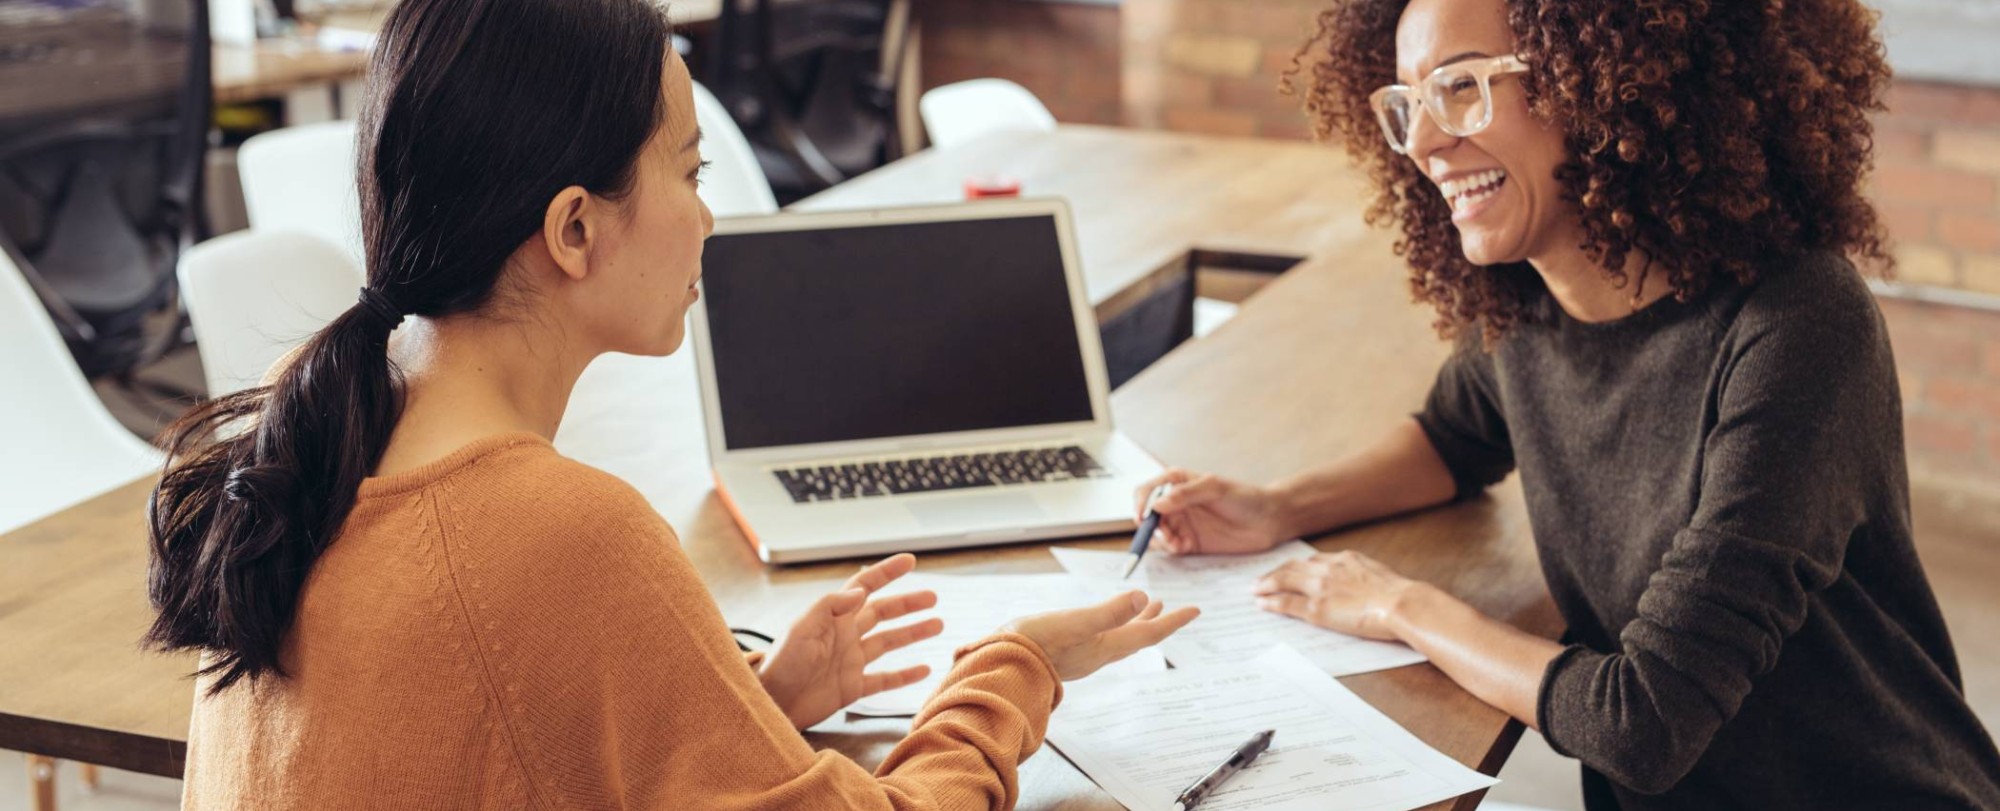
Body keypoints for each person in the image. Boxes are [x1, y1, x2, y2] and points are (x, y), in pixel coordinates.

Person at [142, 0, 1196, 807]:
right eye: (689, 172)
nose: (707, 219)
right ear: (572, 231)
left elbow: (497, 742)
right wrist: (1014, 669)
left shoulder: (317, 437)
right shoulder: (557, 531)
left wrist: (747, 704)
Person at [1134, 0, 2000, 807]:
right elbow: (1453, 438)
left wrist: (1400, 605)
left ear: (1602, 82)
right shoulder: (1530, 303)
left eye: (1464, 87)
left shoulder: (1798, 327)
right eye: (1408, 102)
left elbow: (1642, 721)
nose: (1427, 141)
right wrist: (1274, 506)